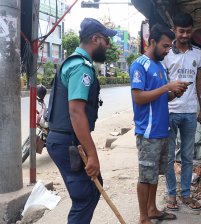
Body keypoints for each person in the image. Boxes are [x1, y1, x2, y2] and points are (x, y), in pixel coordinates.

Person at [46, 18, 116, 223]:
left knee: (93, 189)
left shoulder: (74, 62)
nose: (108, 45)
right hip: (68, 143)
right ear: (95, 39)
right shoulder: (81, 68)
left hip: (64, 140)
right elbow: (76, 113)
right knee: (85, 197)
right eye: (106, 40)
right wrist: (92, 155)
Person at [129, 24, 189, 224]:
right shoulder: (139, 65)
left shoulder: (161, 66)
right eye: (164, 46)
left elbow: (162, 98)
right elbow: (138, 97)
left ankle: (152, 209)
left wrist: (174, 93)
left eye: (169, 46)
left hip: (162, 130)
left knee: (155, 174)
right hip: (148, 132)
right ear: (151, 42)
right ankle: (143, 217)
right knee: (146, 176)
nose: (167, 50)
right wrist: (166, 87)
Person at [162, 12, 201, 211]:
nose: (185, 35)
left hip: (190, 112)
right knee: (169, 156)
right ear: (174, 31)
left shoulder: (197, 53)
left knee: (188, 156)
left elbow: (199, 82)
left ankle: (186, 194)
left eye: (188, 32)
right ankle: (171, 194)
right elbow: (162, 83)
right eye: (181, 31)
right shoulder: (166, 53)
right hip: (170, 110)